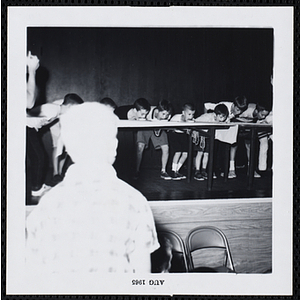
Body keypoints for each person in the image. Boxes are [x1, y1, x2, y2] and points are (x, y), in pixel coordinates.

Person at [25, 102, 160, 274]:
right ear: (114, 147)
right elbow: (143, 279)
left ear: (69, 149)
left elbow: (33, 275)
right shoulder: (135, 202)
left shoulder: (46, 206)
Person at [29, 93, 84, 184]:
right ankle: (40, 185)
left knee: (40, 157)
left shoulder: (60, 112)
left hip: (32, 129)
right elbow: (29, 114)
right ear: (70, 106)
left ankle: (56, 175)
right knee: (39, 158)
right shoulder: (53, 109)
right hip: (28, 128)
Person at [205, 96, 249, 178]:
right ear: (233, 105)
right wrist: (208, 122)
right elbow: (206, 106)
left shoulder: (237, 112)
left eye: (241, 111)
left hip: (223, 128)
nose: (239, 113)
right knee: (213, 148)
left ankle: (223, 170)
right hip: (214, 128)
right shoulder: (223, 105)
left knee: (227, 145)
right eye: (237, 110)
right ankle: (210, 170)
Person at [135, 100, 172, 180]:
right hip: (146, 127)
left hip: (158, 128)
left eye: (167, 114)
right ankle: (136, 170)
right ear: (157, 111)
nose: (165, 116)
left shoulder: (167, 116)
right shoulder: (148, 111)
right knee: (140, 147)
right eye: (163, 114)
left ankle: (163, 171)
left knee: (166, 148)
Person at [193, 104, 229, 181]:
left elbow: (227, 122)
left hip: (209, 136)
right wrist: (195, 131)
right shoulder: (207, 117)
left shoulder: (222, 119)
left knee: (207, 154)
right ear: (215, 115)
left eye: (224, 117)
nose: (222, 119)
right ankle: (197, 171)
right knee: (200, 153)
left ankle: (203, 170)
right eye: (221, 117)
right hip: (201, 135)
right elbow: (195, 121)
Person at [236, 102, 272, 177]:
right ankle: (229, 169)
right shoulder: (246, 110)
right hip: (239, 124)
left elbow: (266, 119)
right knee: (234, 143)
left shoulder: (263, 117)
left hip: (254, 124)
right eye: (262, 115)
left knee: (264, 141)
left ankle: (259, 168)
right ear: (256, 111)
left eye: (265, 115)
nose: (263, 117)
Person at [168, 103, 195, 180]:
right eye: (189, 114)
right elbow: (170, 126)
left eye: (193, 114)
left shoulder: (192, 120)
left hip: (183, 136)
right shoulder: (176, 117)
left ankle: (177, 170)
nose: (191, 116)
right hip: (174, 134)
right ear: (183, 113)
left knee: (186, 153)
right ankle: (173, 171)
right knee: (178, 152)